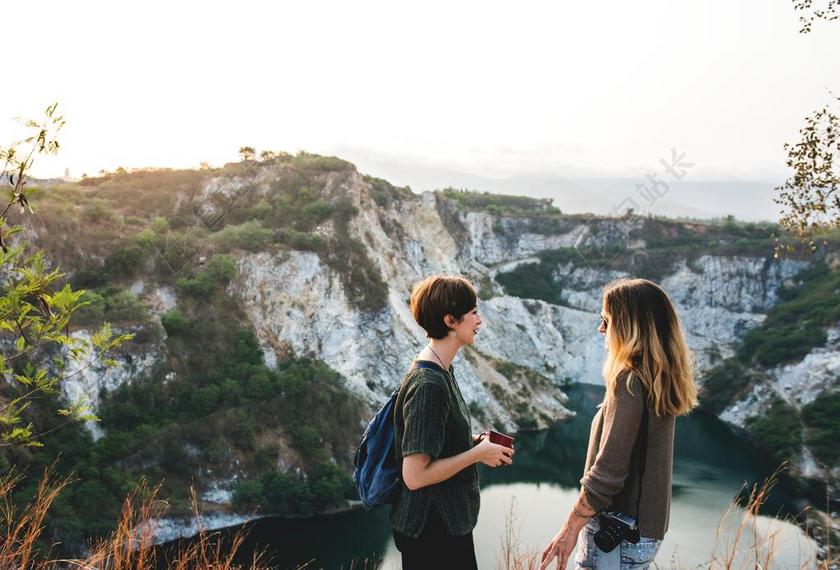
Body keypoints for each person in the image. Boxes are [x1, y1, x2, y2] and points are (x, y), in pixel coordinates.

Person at [540, 278, 698, 570]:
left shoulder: (629, 381)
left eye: (606, 320)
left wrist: (570, 527)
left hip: (615, 532)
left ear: (628, 326)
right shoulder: (659, 378)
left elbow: (608, 472)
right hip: (643, 533)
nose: (601, 329)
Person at [390, 274, 515, 569]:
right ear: (450, 321)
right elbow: (415, 476)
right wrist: (477, 454)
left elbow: (434, 444)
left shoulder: (441, 370)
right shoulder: (429, 383)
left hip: (444, 524)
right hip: (432, 530)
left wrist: (474, 444)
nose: (479, 321)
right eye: (473, 313)